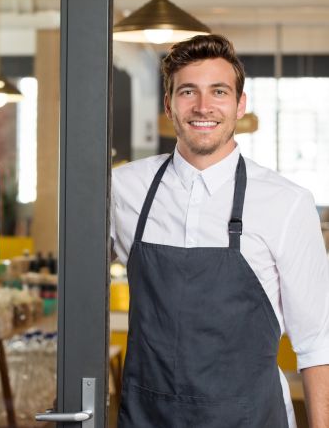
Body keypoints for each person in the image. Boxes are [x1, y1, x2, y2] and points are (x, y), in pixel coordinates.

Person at [111, 34, 329, 428]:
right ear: (169, 104)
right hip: (149, 416)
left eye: (219, 91)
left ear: (240, 104)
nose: (203, 107)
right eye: (188, 92)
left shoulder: (287, 202)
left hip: (252, 417)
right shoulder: (123, 189)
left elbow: (317, 344)